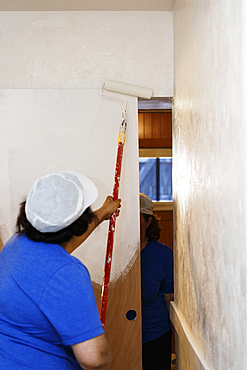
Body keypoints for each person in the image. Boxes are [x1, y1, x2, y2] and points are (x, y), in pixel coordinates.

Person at [0, 171, 121, 370]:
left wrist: (100, 214)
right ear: (78, 224)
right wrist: (105, 352)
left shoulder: (16, 245)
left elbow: (60, 246)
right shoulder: (68, 273)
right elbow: (93, 358)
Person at [140, 193, 174, 370]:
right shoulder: (112, 255)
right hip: (120, 331)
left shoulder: (162, 254)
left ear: (148, 221)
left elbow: (169, 297)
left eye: (137, 219)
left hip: (155, 334)